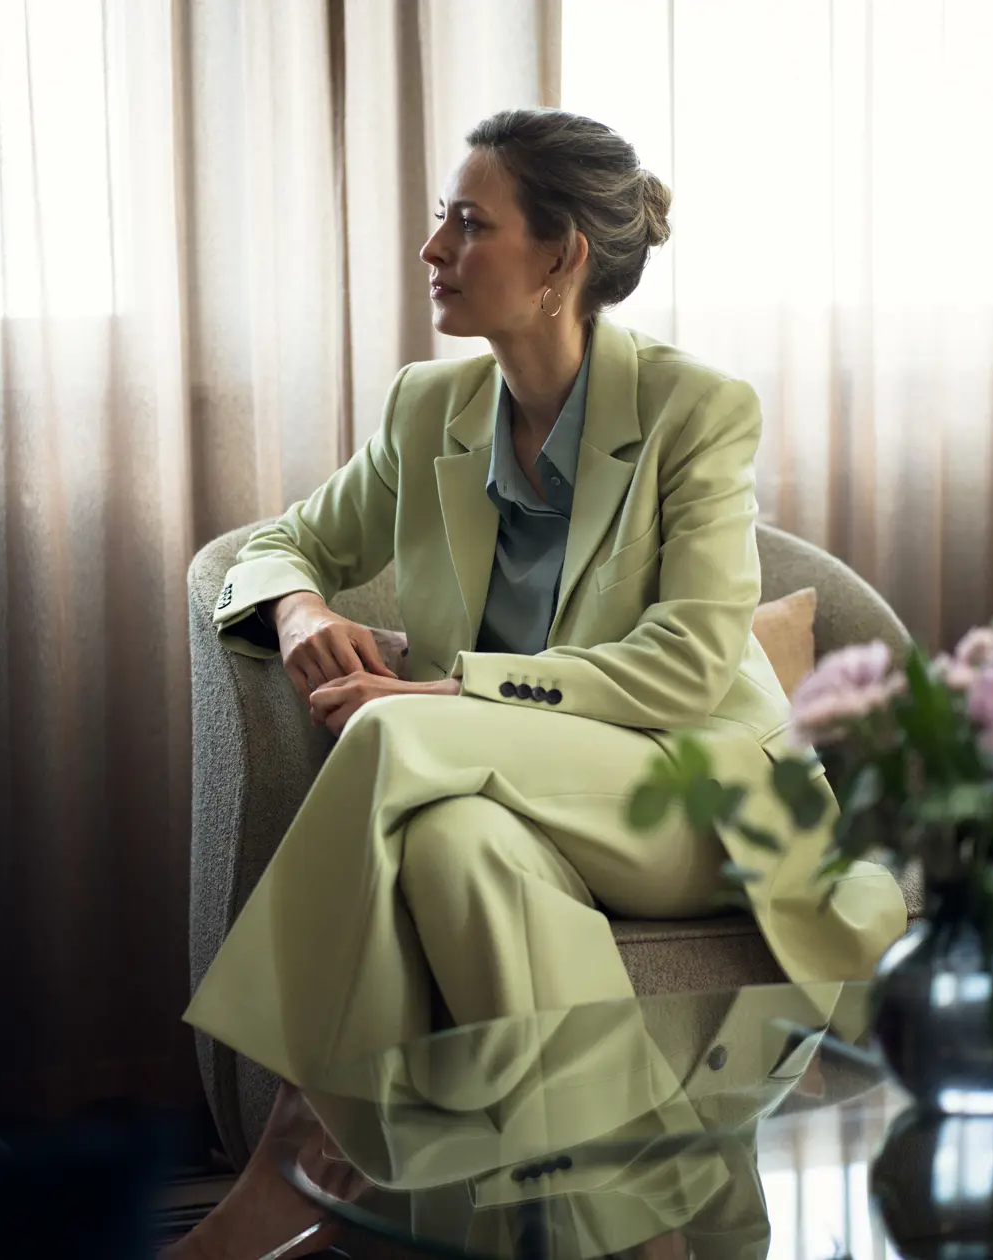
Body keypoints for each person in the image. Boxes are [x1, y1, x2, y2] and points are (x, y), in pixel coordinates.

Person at [168, 108, 907, 1260]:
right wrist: (303, 607)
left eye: (471, 224)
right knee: (456, 847)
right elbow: (278, 546)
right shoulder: (430, 411)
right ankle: (628, 1233)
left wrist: (455, 695)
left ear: (562, 258)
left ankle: (297, 1153)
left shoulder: (696, 412)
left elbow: (691, 664)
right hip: (515, 804)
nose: (434, 250)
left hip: (694, 797)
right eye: (439, 221)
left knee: (388, 744)